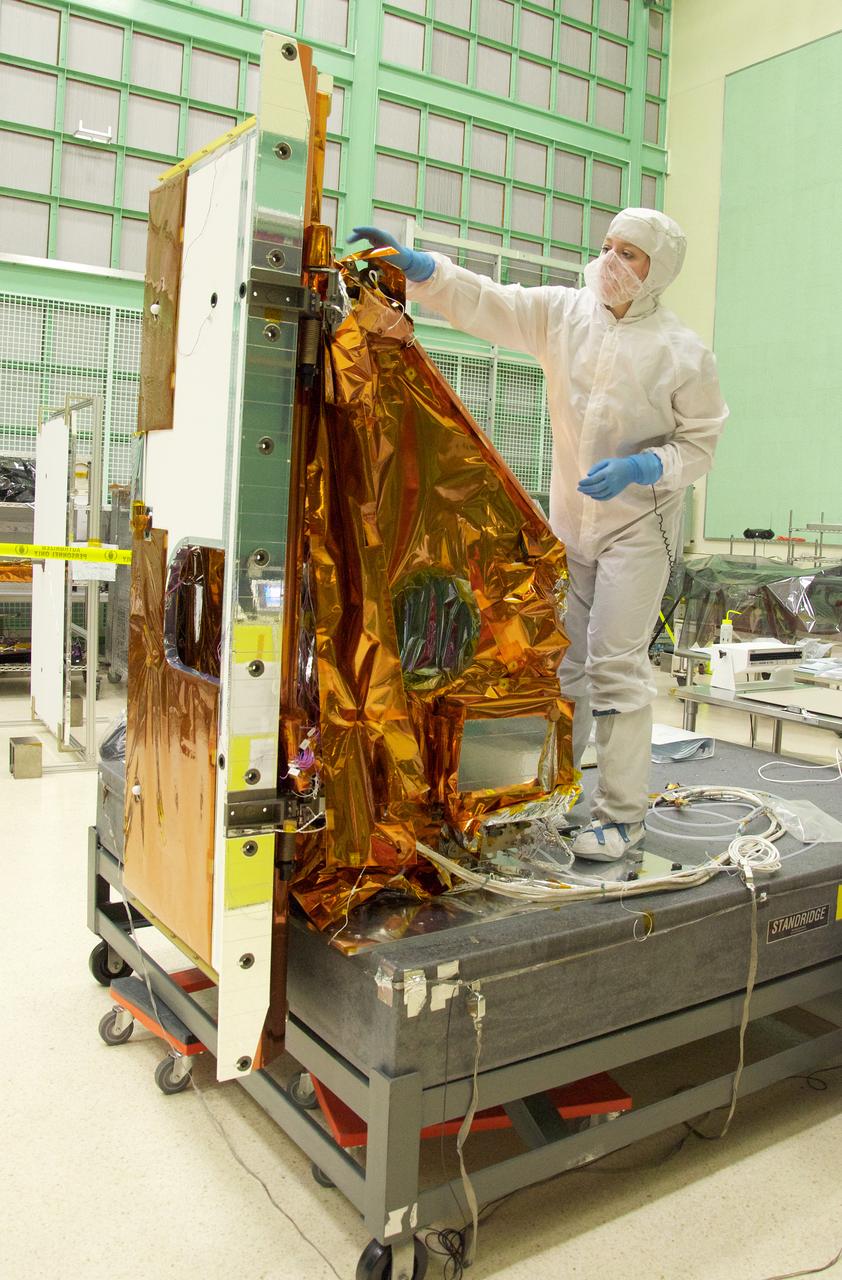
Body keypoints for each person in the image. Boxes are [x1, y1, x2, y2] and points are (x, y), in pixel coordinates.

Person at [347, 210, 728, 860]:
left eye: (629, 254)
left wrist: (645, 466)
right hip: (571, 525)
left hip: (639, 527)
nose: (610, 261)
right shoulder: (564, 315)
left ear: (657, 270)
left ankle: (623, 814)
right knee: (562, 664)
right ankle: (556, 792)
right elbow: (491, 302)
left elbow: (701, 444)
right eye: (608, 246)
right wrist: (422, 269)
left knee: (615, 669)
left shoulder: (682, 352)